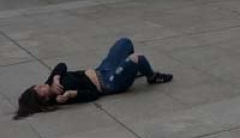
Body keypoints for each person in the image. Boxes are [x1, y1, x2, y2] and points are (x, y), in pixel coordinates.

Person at [15, 37, 172, 120]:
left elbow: (61, 65)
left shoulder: (51, 83)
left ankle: (130, 72)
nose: (42, 86)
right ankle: (152, 77)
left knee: (124, 42)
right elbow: (93, 94)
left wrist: (55, 78)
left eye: (37, 86)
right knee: (136, 58)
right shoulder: (61, 97)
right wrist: (72, 94)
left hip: (103, 69)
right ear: (45, 99)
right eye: (41, 91)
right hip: (109, 83)